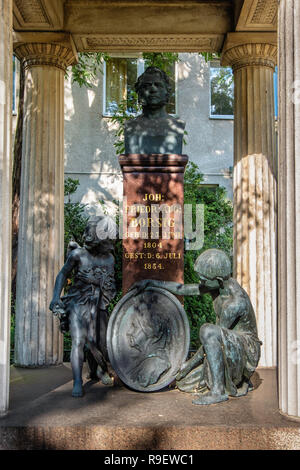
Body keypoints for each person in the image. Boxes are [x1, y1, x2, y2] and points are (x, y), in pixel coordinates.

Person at [129, 249, 262, 405]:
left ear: (218, 279)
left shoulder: (234, 304)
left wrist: (188, 364)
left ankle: (218, 391)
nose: (201, 282)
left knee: (207, 330)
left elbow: (212, 338)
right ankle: (230, 380)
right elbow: (186, 289)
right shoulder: (219, 285)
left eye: (204, 279)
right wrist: (152, 282)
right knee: (185, 383)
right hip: (228, 343)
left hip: (245, 349)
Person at [49, 216, 117, 397]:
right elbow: (63, 274)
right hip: (78, 302)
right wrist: (56, 297)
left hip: (99, 303)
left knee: (99, 343)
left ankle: (99, 370)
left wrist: (99, 284)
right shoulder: (77, 255)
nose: (88, 237)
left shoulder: (109, 259)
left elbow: (110, 286)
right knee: (79, 340)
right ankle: (77, 381)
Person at [124, 66, 185, 155]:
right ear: (139, 93)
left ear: (167, 92)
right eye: (147, 86)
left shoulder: (177, 126)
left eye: (158, 85)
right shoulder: (130, 126)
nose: (153, 89)